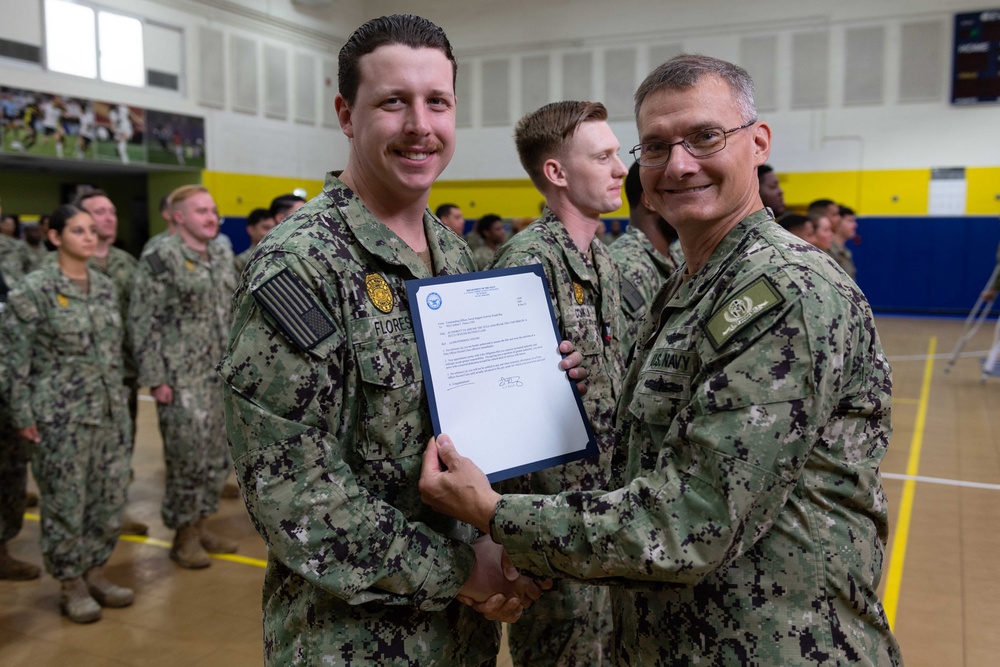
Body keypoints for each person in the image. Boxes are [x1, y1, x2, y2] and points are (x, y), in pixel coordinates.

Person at [421, 53, 902, 666]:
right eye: (655, 146)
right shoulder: (689, 286)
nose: (677, 164)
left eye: (705, 137)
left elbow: (688, 523)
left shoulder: (783, 291)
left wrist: (493, 514)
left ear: (757, 143)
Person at [218, 14, 578, 666]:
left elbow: (472, 438)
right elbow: (294, 492)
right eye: (393, 101)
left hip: (460, 635)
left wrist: (542, 386)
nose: (420, 125)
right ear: (346, 115)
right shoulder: (301, 266)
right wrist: (461, 570)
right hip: (353, 639)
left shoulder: (456, 256)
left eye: (436, 102)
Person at [485, 100, 627, 666]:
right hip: (554, 526)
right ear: (557, 173)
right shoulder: (526, 265)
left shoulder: (604, 261)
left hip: (604, 513)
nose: (621, 168)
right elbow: (501, 413)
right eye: (605, 156)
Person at [0, 204, 133, 622]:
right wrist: (22, 414)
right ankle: (70, 582)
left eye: (93, 230)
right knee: (64, 503)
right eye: (79, 230)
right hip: (60, 417)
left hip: (110, 413)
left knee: (108, 499)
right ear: (54, 237)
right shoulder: (33, 289)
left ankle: (95, 571)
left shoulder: (105, 286)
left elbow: (114, 352)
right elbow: (13, 359)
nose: (90, 237)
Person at [129, 184, 239, 569]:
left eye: (213, 209)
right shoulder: (160, 257)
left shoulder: (222, 250)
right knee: (186, 459)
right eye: (201, 211)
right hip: (180, 378)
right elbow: (143, 320)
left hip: (219, 374)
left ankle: (202, 523)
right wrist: (156, 377)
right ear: (178, 217)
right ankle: (183, 535)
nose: (211, 217)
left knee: (216, 458)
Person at [75, 189, 148, 536]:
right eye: (99, 212)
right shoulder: (70, 263)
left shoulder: (126, 262)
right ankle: (83, 522)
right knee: (81, 456)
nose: (109, 218)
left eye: (112, 212)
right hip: (81, 381)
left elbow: (141, 319)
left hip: (123, 376)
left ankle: (114, 511)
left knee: (121, 447)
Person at [610, 161, 680, 359]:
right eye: (677, 193)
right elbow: (623, 364)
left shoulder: (676, 257)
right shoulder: (625, 266)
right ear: (649, 200)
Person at [234, 207, 276, 274]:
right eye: (266, 228)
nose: (271, 232)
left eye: (274, 228)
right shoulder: (242, 261)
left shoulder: (279, 257)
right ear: (251, 230)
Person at [832, 204, 859, 281]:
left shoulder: (845, 252)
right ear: (837, 222)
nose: (855, 225)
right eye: (850, 221)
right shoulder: (828, 251)